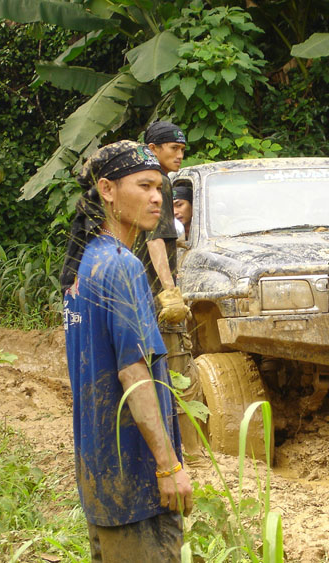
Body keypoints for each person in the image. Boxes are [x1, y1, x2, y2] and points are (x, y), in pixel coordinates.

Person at [61, 140, 193, 561]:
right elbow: (134, 375)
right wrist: (168, 466)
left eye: (159, 188)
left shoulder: (86, 264)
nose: (157, 198)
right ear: (107, 190)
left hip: (101, 475)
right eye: (144, 186)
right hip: (136, 478)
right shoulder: (122, 266)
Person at [137, 121, 202, 456]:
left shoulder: (134, 182)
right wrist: (170, 293)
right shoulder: (158, 182)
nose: (180, 155)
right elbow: (156, 241)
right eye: (174, 148)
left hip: (136, 295)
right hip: (157, 297)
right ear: (153, 149)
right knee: (182, 374)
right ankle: (194, 454)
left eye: (182, 149)